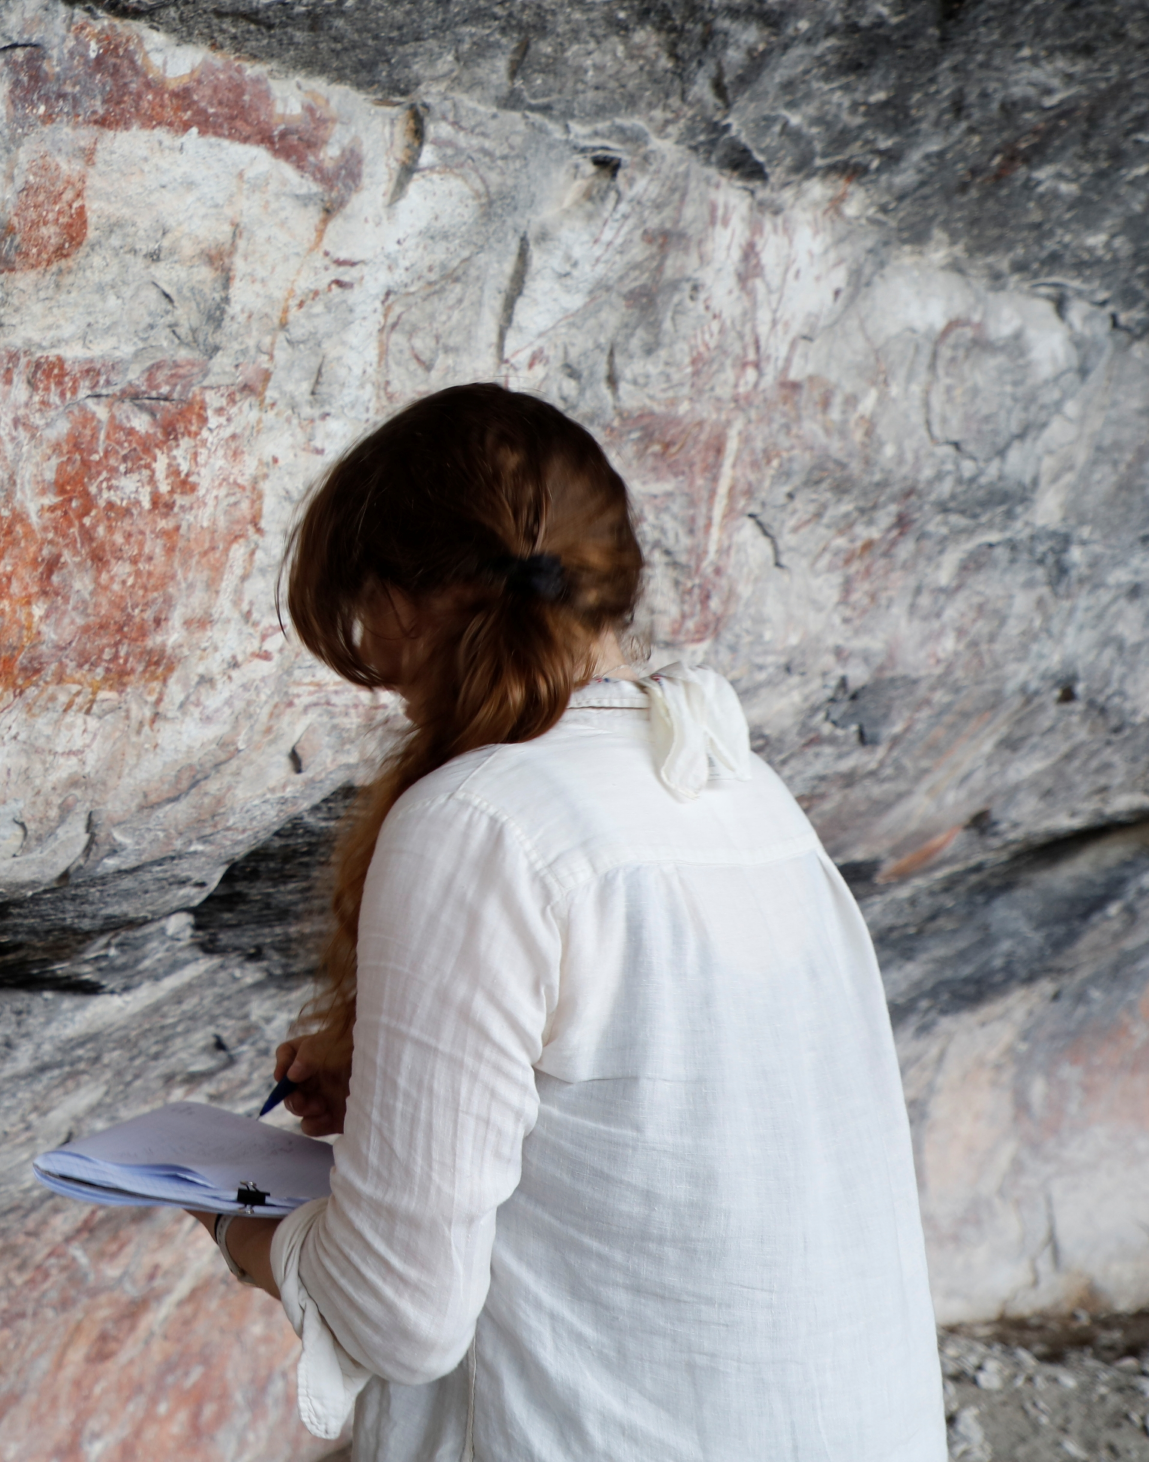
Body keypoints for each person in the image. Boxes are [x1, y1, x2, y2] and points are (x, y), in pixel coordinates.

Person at [195, 384, 945, 1459]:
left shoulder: (476, 822)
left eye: (364, 619)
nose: (382, 672)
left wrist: (233, 1216)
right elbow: (670, 1114)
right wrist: (397, 1071)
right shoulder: (737, 785)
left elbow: (398, 1314)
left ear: (406, 599)